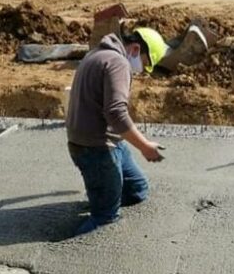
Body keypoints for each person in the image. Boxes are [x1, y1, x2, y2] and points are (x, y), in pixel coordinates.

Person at [66, 27, 167, 235]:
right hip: (95, 148)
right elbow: (116, 113)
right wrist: (145, 147)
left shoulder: (98, 52)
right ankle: (72, 247)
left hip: (108, 141)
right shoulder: (119, 63)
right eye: (146, 63)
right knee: (105, 217)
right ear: (136, 49)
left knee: (137, 190)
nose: (143, 69)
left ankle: (101, 192)